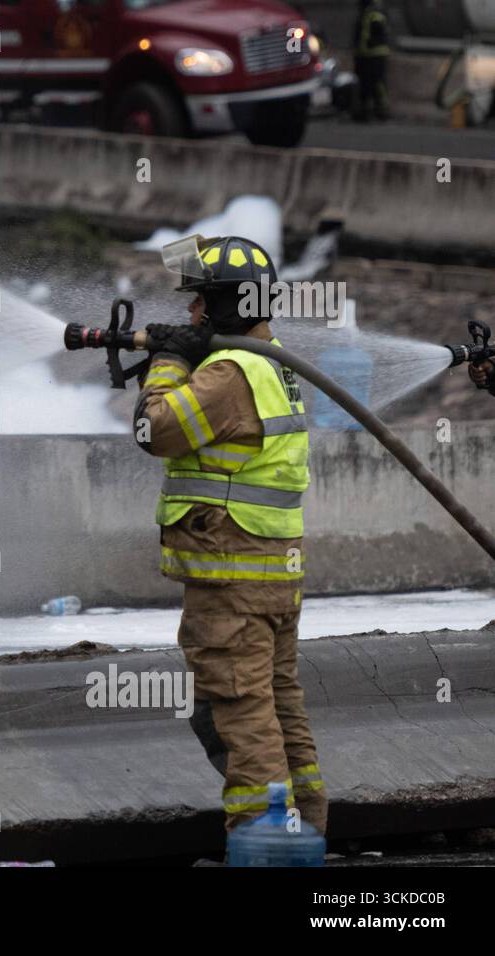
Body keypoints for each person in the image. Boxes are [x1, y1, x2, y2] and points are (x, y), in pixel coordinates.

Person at [133, 235, 328, 838]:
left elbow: (154, 428)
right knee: (277, 704)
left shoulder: (227, 373)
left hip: (231, 577)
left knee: (240, 712)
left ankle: (268, 845)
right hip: (271, 575)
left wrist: (168, 362)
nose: (190, 314)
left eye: (199, 304)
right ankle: (307, 833)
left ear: (228, 307)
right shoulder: (273, 365)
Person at [353, 0, 391, 121]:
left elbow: (378, 33)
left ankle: (381, 111)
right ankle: (365, 111)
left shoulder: (375, 15)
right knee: (365, 85)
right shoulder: (366, 15)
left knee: (377, 84)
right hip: (364, 55)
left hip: (375, 56)